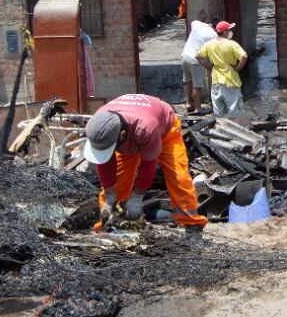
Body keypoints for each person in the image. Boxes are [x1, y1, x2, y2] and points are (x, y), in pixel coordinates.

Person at [83, 93, 207, 232]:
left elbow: (148, 165)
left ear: (122, 135)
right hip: (130, 137)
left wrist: (137, 197)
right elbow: (104, 162)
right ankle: (108, 222)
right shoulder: (97, 127)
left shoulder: (146, 128)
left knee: (178, 176)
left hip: (164, 129)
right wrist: (110, 195)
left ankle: (191, 223)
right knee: (118, 181)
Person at [197, 21, 248, 116]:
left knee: (219, 112)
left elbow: (198, 56)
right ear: (224, 32)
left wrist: (207, 66)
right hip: (231, 80)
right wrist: (238, 68)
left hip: (216, 82)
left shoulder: (209, 44)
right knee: (234, 111)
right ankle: (235, 129)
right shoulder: (231, 44)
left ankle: (220, 129)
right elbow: (244, 56)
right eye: (228, 30)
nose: (229, 32)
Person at [180, 10, 217, 114]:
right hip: (195, 61)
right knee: (197, 86)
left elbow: (194, 22)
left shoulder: (197, 24)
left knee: (187, 81)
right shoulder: (213, 35)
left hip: (185, 56)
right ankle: (198, 109)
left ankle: (188, 104)